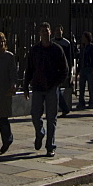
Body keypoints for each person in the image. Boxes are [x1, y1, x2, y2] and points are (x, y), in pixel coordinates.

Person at [24, 21, 68, 158]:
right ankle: (40, 132)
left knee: (52, 117)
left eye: (47, 30)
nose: (45, 33)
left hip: (51, 87)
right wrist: (25, 86)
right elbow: (29, 69)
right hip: (37, 87)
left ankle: (50, 146)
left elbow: (64, 69)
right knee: (35, 115)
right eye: (42, 30)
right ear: (39, 34)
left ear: (50, 32)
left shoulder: (57, 49)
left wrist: (57, 83)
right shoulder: (35, 50)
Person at [52, 24, 74, 115]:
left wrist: (69, 70)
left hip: (61, 69)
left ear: (62, 31)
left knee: (55, 89)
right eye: (56, 30)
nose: (57, 32)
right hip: (52, 69)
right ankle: (63, 108)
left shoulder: (66, 43)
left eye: (59, 30)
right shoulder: (51, 42)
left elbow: (69, 58)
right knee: (55, 89)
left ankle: (63, 107)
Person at [77, 32, 93, 109]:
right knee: (81, 87)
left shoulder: (92, 47)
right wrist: (79, 69)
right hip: (83, 68)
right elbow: (80, 59)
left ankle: (92, 102)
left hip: (89, 69)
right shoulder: (82, 47)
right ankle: (81, 102)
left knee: (90, 87)